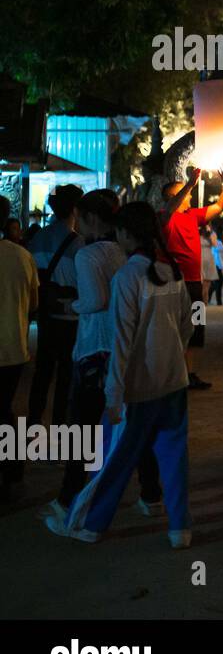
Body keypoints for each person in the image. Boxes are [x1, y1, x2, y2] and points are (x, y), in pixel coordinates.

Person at [49, 202, 195, 548]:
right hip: (174, 381)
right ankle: (180, 529)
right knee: (174, 460)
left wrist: (114, 394)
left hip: (138, 388)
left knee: (112, 460)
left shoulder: (128, 277)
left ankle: (87, 524)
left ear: (127, 234)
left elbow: (122, 340)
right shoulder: (171, 271)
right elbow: (188, 327)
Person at [40, 191, 162, 525]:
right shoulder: (126, 253)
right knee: (131, 425)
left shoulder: (88, 254)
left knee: (82, 428)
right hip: (127, 344)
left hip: (96, 349)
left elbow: (94, 300)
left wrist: (70, 306)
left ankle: (69, 500)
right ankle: (151, 494)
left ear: (90, 218)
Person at [160, 167, 223, 390]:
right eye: (185, 191)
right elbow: (170, 209)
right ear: (174, 197)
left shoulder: (193, 215)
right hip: (173, 285)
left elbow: (220, 206)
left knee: (197, 328)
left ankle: (190, 374)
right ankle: (173, 374)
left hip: (194, 285)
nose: (189, 194)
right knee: (174, 329)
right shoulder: (164, 217)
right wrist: (190, 183)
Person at [28, 184, 83, 425]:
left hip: (46, 316)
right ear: (75, 210)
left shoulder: (38, 238)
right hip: (70, 318)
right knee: (66, 378)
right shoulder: (79, 244)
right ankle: (61, 430)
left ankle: (32, 426)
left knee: (42, 374)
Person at [0, 194, 39, 503]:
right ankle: (13, 468)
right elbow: (34, 304)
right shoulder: (23, 257)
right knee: (6, 409)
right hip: (15, 347)